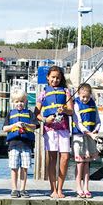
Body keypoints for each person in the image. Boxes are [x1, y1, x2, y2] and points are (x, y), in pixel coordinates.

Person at [35, 66, 73, 198]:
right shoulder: (43, 93)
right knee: (52, 158)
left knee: (65, 157)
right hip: (50, 129)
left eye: (58, 77)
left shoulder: (66, 91)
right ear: (48, 78)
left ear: (61, 78)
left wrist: (65, 110)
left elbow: (71, 111)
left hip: (63, 128)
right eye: (53, 77)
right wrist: (46, 119)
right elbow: (36, 114)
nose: (55, 80)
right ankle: (53, 189)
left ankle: (60, 188)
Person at [3, 89, 37, 198]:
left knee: (25, 167)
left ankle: (23, 189)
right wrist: (14, 126)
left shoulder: (30, 114)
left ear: (25, 101)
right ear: (13, 102)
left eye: (21, 101)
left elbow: (34, 126)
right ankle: (14, 189)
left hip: (26, 144)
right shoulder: (10, 114)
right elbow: (4, 128)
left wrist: (25, 125)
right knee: (14, 167)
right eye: (17, 101)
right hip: (13, 144)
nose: (19, 104)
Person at [71, 83, 101, 198]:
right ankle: (78, 187)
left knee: (87, 163)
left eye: (87, 97)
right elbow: (78, 122)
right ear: (78, 94)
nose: (85, 99)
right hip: (79, 136)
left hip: (91, 137)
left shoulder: (93, 104)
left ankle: (86, 187)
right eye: (83, 97)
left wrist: (95, 131)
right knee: (80, 163)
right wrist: (88, 133)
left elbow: (98, 120)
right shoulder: (76, 104)